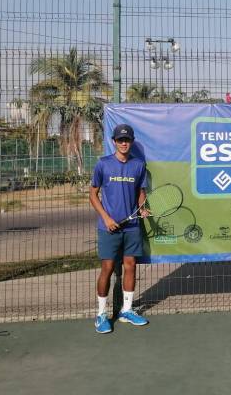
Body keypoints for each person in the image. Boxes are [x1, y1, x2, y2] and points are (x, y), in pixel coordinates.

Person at [89, 123, 150, 333]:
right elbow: (92, 194)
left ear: (132, 142)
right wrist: (106, 218)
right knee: (107, 268)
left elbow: (141, 192)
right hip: (109, 228)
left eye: (127, 140)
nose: (124, 143)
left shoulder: (138, 165)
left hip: (132, 226)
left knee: (130, 266)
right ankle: (101, 315)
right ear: (114, 142)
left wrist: (142, 208)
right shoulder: (103, 164)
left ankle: (127, 310)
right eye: (120, 140)